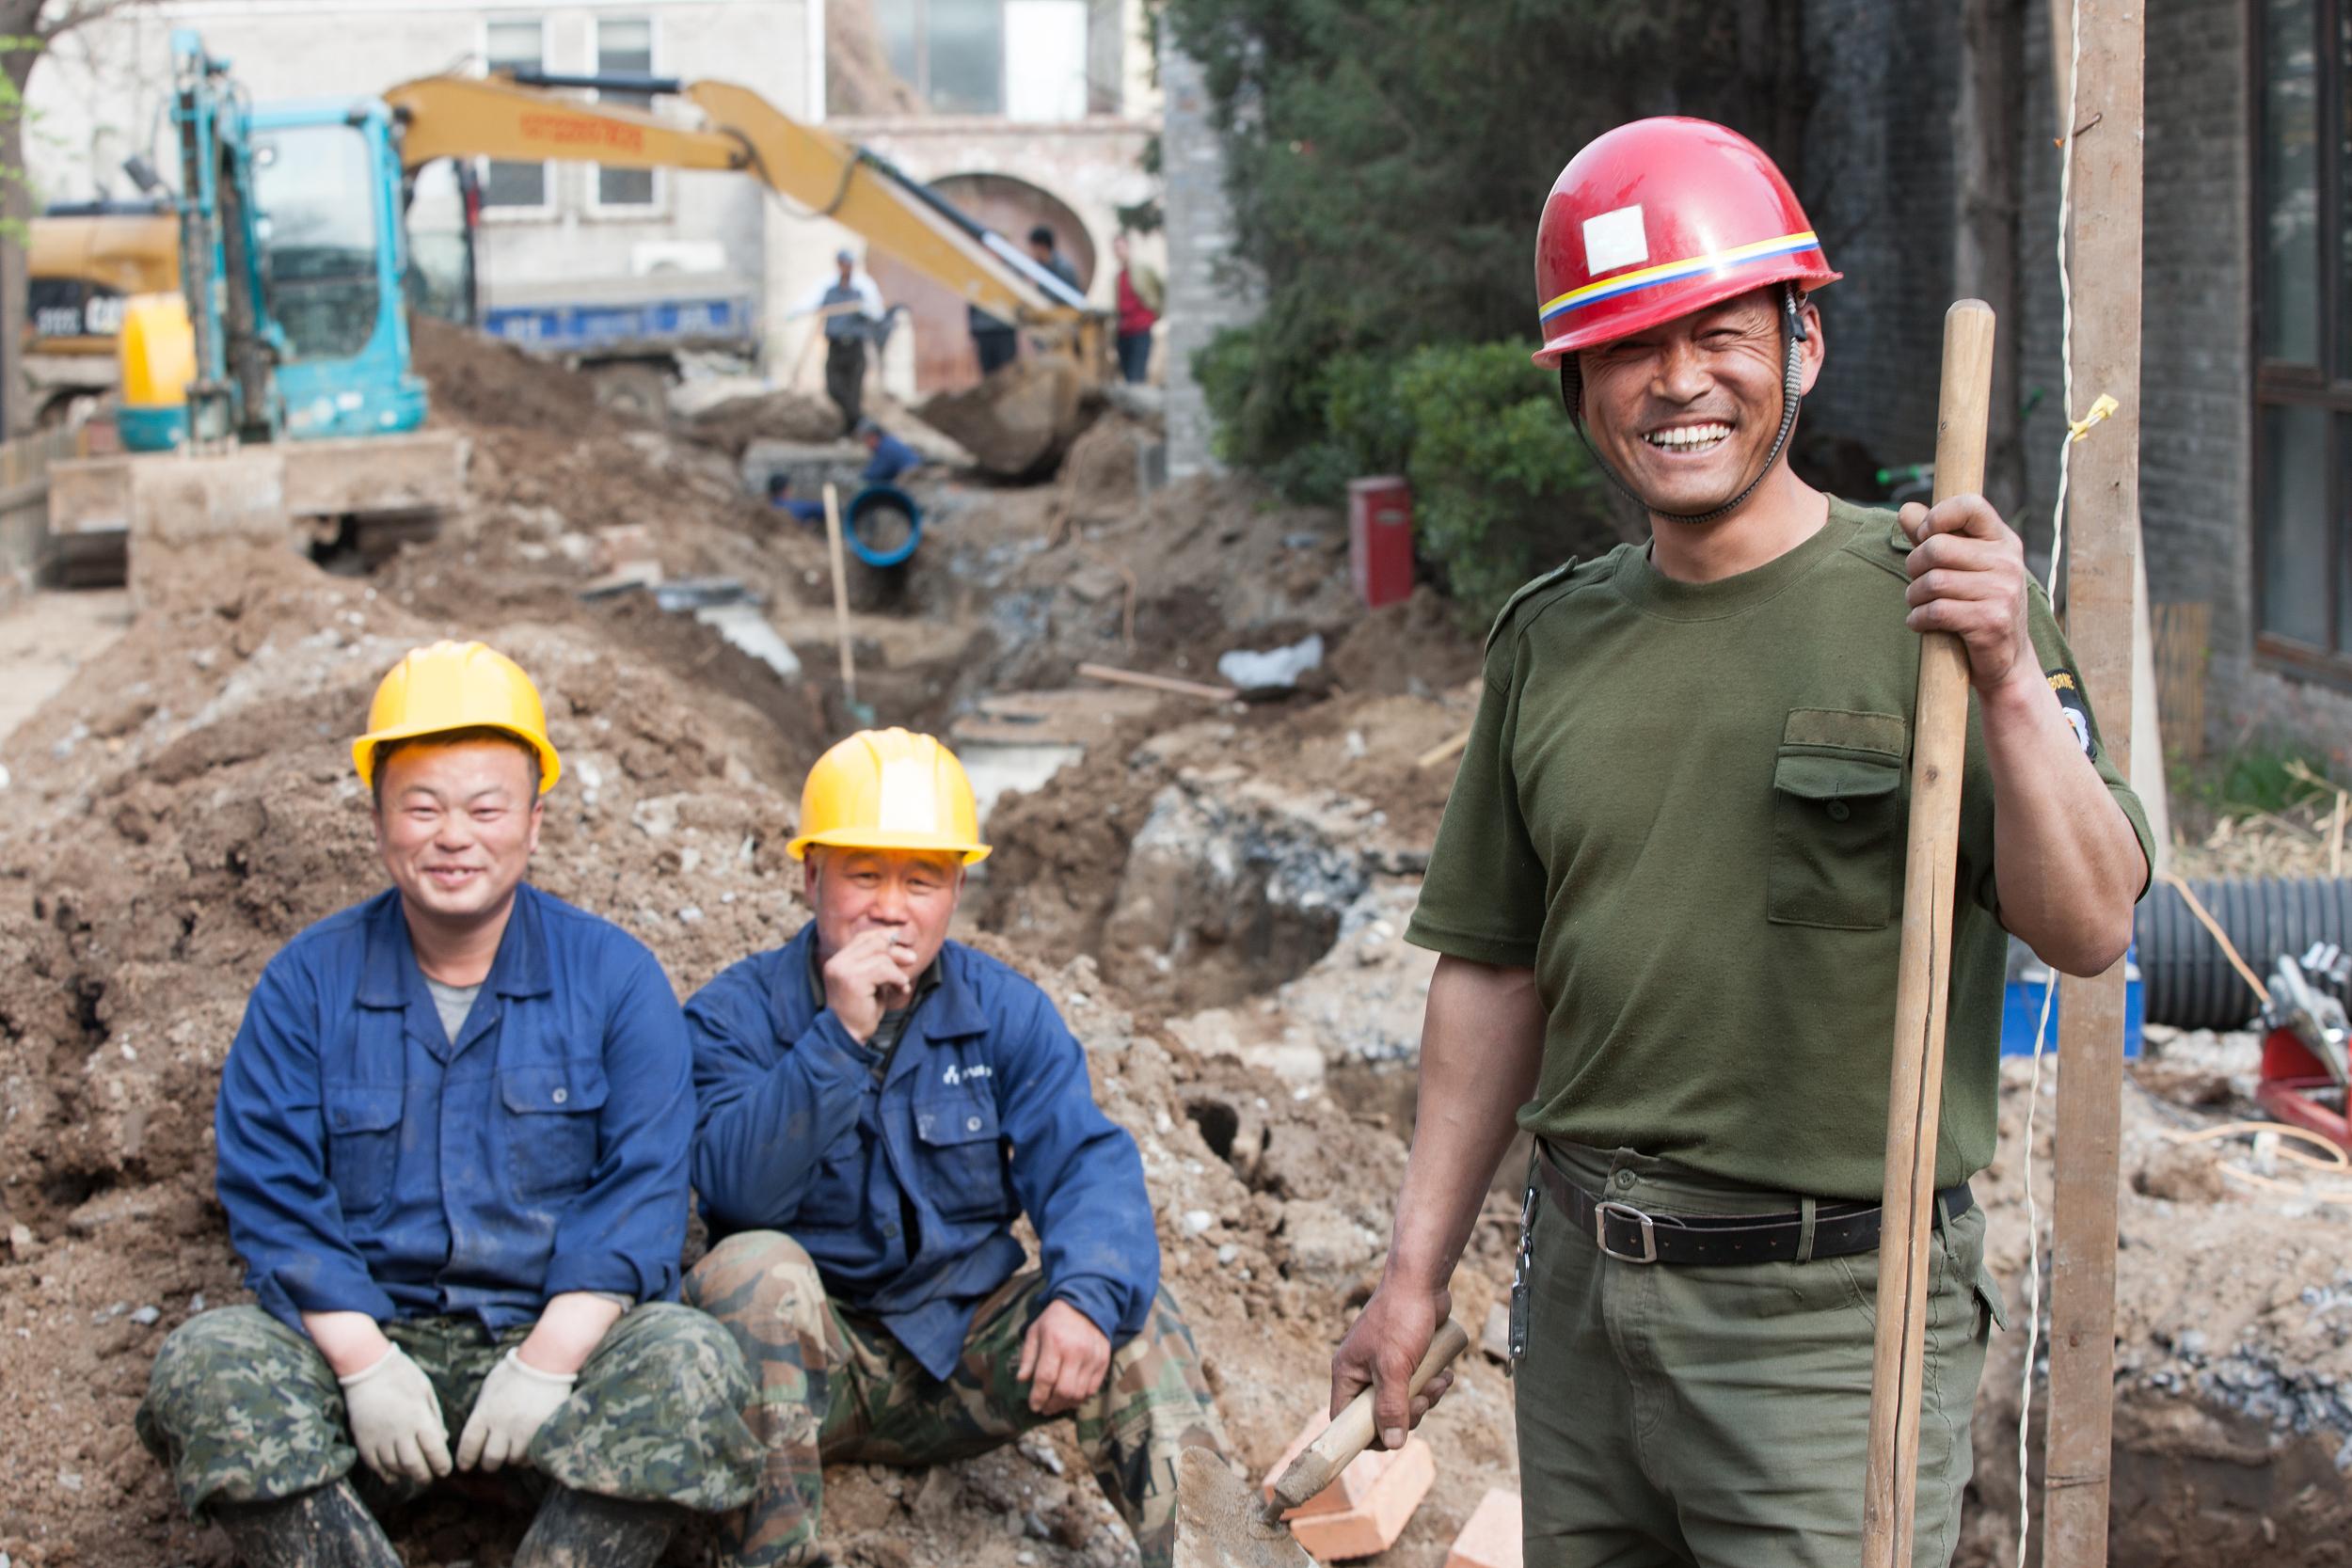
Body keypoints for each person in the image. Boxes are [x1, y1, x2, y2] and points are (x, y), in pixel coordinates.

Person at [1327, 118, 2153, 1568]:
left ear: (1804, 342)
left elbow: (2089, 926)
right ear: (1578, 383)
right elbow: (1492, 973)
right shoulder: (1550, 637)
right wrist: (1413, 1273)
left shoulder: (1940, 611)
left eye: (1719, 331)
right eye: (1630, 344)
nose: (1678, 380)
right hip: (1579, 1297)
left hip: (1831, 1324)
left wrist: (2015, 676)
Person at [136, 641, 761, 1568]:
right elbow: (272, 1190)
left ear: (533, 822)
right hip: (367, 1363)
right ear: (380, 819)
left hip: (555, 1366)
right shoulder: (307, 981)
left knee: (695, 1359)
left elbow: (641, 1193)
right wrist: (363, 1362)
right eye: (421, 806)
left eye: (483, 807)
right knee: (206, 1365)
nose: (452, 835)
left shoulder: (616, 978)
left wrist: (547, 1361)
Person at [681, 728, 1228, 1568]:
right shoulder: (734, 1015)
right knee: (753, 1269)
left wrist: (1083, 1298)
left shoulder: (1006, 1013)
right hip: (798, 1377)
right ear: (811, 875)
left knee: (1129, 1308)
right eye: (864, 875)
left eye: (921, 879)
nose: (891, 906)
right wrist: (840, 1037)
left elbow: (1085, 1164)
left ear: (957, 889)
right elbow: (737, 1192)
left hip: (956, 1359)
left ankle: (1219, 1558)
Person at [790, 248, 885, 433]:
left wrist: (865, 307)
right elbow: (808, 303)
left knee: (854, 391)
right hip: (835, 346)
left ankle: (852, 430)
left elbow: (878, 312)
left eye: (848, 263)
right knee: (834, 388)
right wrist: (793, 314)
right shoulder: (829, 290)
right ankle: (859, 420)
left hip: (855, 348)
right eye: (842, 263)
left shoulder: (863, 289)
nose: (845, 267)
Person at [764, 422, 922, 527]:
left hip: (911, 480)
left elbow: (875, 473)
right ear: (786, 490)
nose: (865, 445)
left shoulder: (887, 448)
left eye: (865, 440)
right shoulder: (889, 445)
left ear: (873, 437)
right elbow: (816, 508)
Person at [1111, 232, 1163, 385]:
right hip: (1123, 333)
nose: (1119, 252)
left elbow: (1161, 288)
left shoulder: (1143, 270)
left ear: (1128, 247)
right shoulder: (1118, 277)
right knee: (1127, 377)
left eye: (1121, 247)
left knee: (1136, 377)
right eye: (1116, 249)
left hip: (1140, 329)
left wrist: (1157, 312)